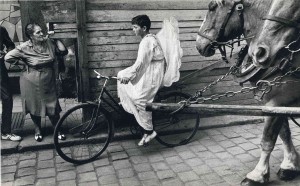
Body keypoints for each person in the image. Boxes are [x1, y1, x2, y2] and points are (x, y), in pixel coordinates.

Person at [5, 23, 67, 142]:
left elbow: (63, 52)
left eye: (41, 31)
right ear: (31, 36)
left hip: (48, 77)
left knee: (52, 104)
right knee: (34, 105)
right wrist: (23, 63)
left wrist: (56, 38)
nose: (42, 33)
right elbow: (8, 57)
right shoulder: (24, 47)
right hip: (30, 79)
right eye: (38, 32)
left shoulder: (48, 42)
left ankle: (57, 129)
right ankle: (37, 129)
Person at [117, 15, 166, 146]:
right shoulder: (148, 38)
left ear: (144, 28)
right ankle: (141, 123)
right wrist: (126, 75)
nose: (133, 30)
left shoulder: (147, 41)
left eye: (135, 27)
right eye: (133, 27)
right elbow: (141, 64)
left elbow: (141, 63)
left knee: (141, 100)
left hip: (153, 74)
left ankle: (149, 131)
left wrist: (130, 76)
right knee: (121, 75)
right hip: (149, 70)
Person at [0, 25, 22, 141]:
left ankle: (6, 131)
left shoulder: (1, 29)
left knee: (7, 97)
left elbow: (10, 46)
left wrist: (6, 54)